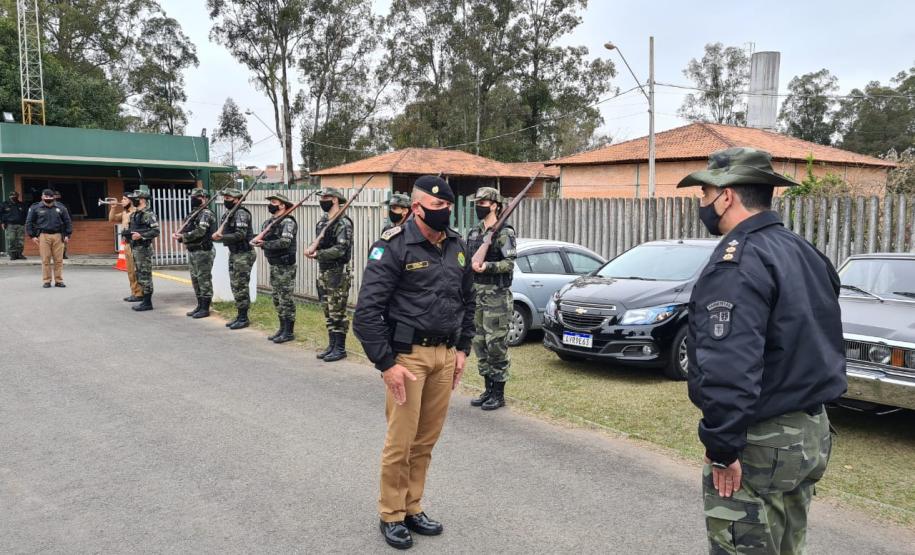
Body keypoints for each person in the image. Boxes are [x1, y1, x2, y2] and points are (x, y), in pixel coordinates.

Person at [676, 147, 847, 555]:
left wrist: (722, 447)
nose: (702, 205)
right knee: (787, 545)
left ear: (726, 195)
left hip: (762, 440)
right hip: (809, 433)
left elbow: (728, 365)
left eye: (704, 195)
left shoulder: (738, 262)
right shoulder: (803, 251)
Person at [353, 175, 475, 550]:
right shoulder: (393, 246)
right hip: (408, 358)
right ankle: (391, 514)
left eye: (449, 207)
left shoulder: (456, 246)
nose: (445, 213)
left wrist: (462, 349)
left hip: (443, 356)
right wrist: (387, 365)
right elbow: (366, 314)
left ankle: (412, 506)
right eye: (438, 207)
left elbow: (467, 301)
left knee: (425, 442)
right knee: (401, 442)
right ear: (417, 207)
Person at [465, 187, 516, 411]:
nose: (479, 206)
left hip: (497, 297)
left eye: (484, 202)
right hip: (477, 296)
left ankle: (499, 393)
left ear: (495, 205)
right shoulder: (475, 231)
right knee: (480, 343)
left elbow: (509, 264)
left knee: (496, 345)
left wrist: (486, 266)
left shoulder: (505, 232)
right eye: (478, 202)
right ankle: (487, 389)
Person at [306, 188, 354, 362]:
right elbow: (321, 243)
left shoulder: (343, 223)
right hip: (324, 270)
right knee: (327, 309)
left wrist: (318, 254)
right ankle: (332, 345)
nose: (322, 200)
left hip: (338, 272)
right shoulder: (323, 222)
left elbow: (341, 249)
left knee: (337, 311)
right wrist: (314, 248)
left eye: (326, 198)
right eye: (322, 198)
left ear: (335, 200)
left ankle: (340, 348)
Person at [252, 193, 298, 344]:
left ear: (282, 205)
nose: (270, 204)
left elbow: (285, 242)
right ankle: (282, 327)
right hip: (274, 264)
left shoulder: (288, 222)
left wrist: (264, 244)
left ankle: (289, 331)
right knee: (277, 298)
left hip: (285, 266)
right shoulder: (268, 223)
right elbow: (264, 238)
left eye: (274, 202)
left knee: (286, 298)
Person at [213, 188, 256, 330]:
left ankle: (244, 317)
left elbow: (241, 234)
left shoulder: (241, 213)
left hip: (244, 253)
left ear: (237, 200)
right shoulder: (228, 214)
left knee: (241, 285)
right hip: (234, 253)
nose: (226, 200)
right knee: (235, 285)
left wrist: (222, 237)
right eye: (225, 197)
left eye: (229, 198)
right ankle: (240, 314)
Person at [174, 188, 216, 319]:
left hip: (203, 251)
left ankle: (205, 308)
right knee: (195, 279)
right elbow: (188, 228)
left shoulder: (206, 213)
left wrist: (183, 236)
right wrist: (181, 235)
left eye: (195, 197)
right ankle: (199, 305)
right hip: (192, 250)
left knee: (204, 279)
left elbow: (200, 231)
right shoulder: (193, 213)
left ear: (203, 198)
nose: (192, 199)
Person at [25, 188, 72, 288]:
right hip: (43, 236)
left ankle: (59, 280)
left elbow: (67, 221)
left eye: (50, 197)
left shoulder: (61, 207)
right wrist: (32, 236)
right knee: (45, 259)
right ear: (42, 197)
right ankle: (47, 281)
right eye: (46, 197)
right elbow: (29, 222)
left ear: (53, 197)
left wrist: (68, 234)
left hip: (58, 235)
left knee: (58, 260)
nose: (48, 198)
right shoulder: (35, 207)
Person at [126, 189, 160, 312]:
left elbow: (156, 231)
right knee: (139, 274)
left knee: (145, 275)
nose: (132, 200)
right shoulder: (136, 213)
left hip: (143, 248)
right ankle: (144, 299)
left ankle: (147, 302)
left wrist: (141, 236)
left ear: (142, 200)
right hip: (135, 247)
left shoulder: (148, 214)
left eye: (135, 198)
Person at [108, 194, 143, 302]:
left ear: (131, 201)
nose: (122, 201)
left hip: (135, 244)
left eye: (124, 199)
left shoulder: (136, 212)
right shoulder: (124, 213)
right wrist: (113, 207)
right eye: (122, 199)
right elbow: (111, 219)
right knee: (130, 270)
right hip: (127, 244)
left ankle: (139, 293)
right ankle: (134, 292)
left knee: (135, 269)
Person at [1, 190, 28, 260]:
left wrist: (26, 223)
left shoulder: (22, 204)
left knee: (20, 240)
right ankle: (13, 254)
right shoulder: (5, 204)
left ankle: (19, 254)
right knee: (11, 239)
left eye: (15, 196)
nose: (14, 197)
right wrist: (2, 222)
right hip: (10, 225)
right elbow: (1, 214)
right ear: (9, 196)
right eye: (12, 196)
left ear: (18, 196)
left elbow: (26, 214)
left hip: (20, 225)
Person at [53, 191, 69, 259]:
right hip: (54, 225)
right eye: (55, 195)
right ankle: (55, 254)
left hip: (63, 225)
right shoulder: (51, 204)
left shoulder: (64, 205)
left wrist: (68, 224)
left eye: (58, 195)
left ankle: (63, 254)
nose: (57, 196)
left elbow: (68, 216)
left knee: (63, 241)